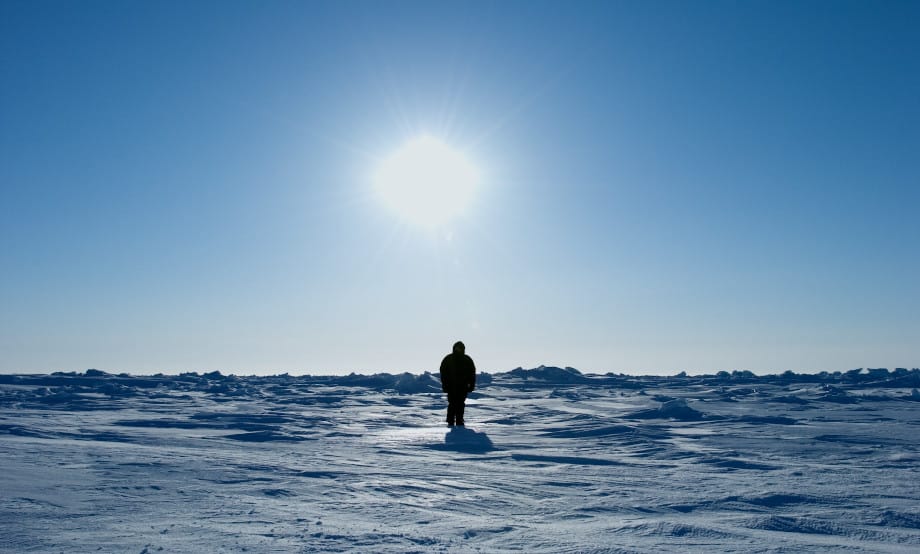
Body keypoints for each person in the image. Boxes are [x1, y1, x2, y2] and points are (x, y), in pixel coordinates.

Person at [439, 341, 476, 426]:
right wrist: (445, 384)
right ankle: (450, 420)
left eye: (460, 348)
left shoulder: (467, 359)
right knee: (452, 403)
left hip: (463, 386)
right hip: (451, 386)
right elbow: (443, 372)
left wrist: (471, 385)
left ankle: (459, 420)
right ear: (454, 348)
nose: (458, 349)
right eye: (457, 347)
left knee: (461, 403)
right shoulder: (448, 358)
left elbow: (472, 373)